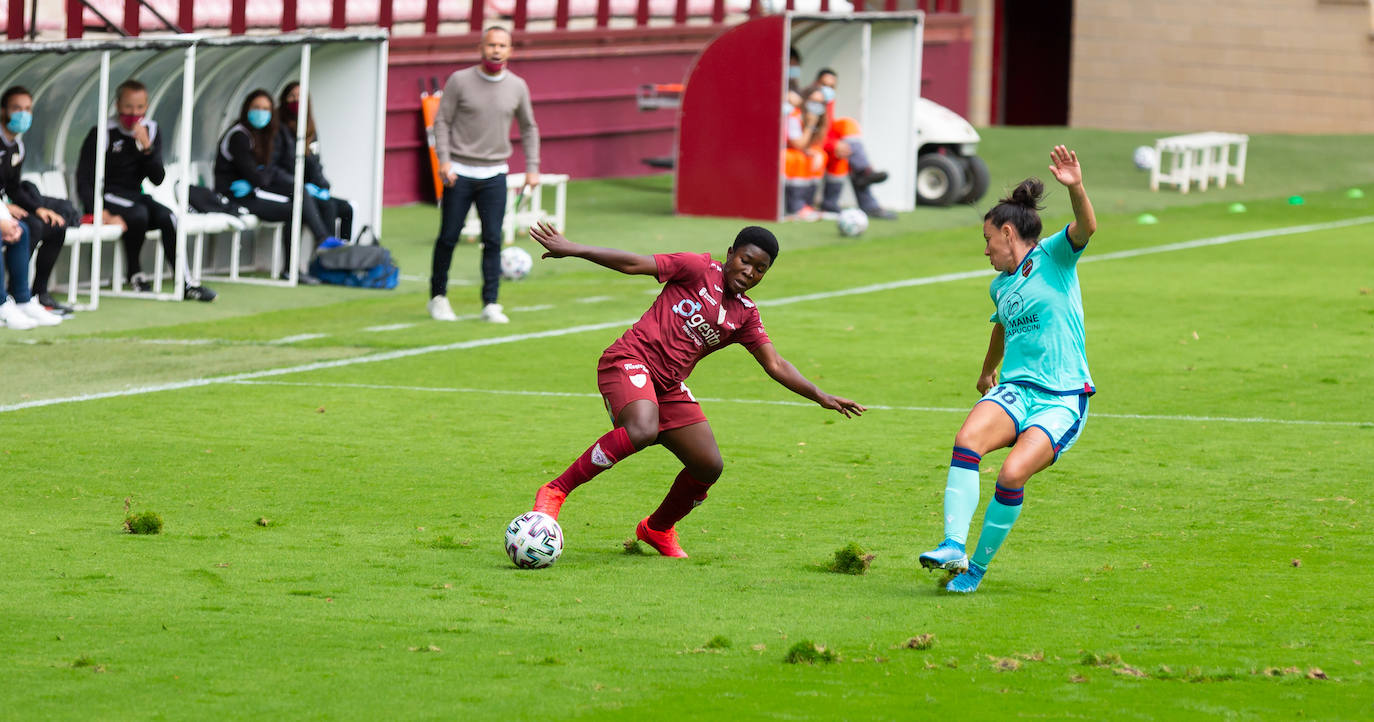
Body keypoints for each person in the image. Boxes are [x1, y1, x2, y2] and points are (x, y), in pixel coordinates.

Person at [526, 221, 866, 557]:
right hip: (629, 360)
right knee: (642, 429)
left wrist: (821, 396)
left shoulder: (745, 315)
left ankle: (656, 529)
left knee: (708, 465)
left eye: (760, 269)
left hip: (668, 385)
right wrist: (573, 249)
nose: (749, 272)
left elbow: (775, 364)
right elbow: (633, 263)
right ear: (730, 254)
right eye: (745, 260)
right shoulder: (698, 267)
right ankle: (556, 490)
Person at [917, 146, 1097, 594]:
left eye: (987, 240)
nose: (986, 251)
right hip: (1016, 388)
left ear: (1008, 231)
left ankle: (976, 568)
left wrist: (1076, 188)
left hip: (1061, 397)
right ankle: (952, 545)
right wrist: (986, 372)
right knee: (967, 441)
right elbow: (1002, 329)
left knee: (1012, 474)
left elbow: (1087, 227)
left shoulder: (1054, 256)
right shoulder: (1000, 286)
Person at [428, 25, 541, 324]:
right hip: (459, 173)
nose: (496, 50)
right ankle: (438, 298)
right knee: (449, 236)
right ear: (481, 47)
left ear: (510, 51)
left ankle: (491, 302)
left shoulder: (517, 86)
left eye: (502, 46)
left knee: (492, 239)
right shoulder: (460, 81)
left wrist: (533, 167)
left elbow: (529, 127)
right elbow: (441, 122)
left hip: (494, 174)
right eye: (491, 45)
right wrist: (444, 161)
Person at [77, 79, 216, 302]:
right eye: (128, 107)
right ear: (117, 105)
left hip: (136, 195)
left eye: (140, 107)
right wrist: (98, 211)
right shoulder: (102, 132)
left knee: (169, 217)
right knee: (138, 214)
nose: (134, 113)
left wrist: (147, 148)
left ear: (147, 106)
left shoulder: (150, 130)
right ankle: (135, 273)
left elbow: (158, 178)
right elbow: (84, 179)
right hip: (109, 195)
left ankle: (186, 283)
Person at [0, 86, 73, 317]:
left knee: (54, 225)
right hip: (2, 207)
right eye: (17, 108)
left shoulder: (18, 146)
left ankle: (38, 292)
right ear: (3, 111)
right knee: (29, 227)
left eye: (27, 109)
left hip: (4, 205)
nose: (23, 114)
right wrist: (5, 207)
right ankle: (11, 294)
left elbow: (13, 187)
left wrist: (39, 208)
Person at [216, 89, 301, 280]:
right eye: (256, 108)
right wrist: (262, 172)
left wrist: (262, 172)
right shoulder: (239, 136)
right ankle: (289, 268)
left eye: (265, 109)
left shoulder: (262, 136)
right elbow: (260, 178)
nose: (261, 113)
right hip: (231, 196)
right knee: (292, 211)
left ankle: (291, 266)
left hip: (249, 194)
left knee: (295, 205)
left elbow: (263, 174)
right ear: (246, 109)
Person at [273, 82, 353, 249]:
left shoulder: (310, 129)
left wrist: (323, 186)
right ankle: (325, 256)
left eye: (300, 96)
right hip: (288, 187)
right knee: (328, 207)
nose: (296, 100)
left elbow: (315, 163)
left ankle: (343, 251)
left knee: (346, 209)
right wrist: (300, 185)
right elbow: (277, 164)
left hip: (308, 189)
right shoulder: (278, 129)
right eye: (292, 96)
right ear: (284, 100)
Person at [813, 69, 895, 219]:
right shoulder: (810, 100)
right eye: (824, 84)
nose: (827, 89)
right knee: (844, 151)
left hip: (825, 145)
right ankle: (866, 186)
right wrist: (833, 145)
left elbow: (827, 130)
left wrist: (836, 144)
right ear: (815, 83)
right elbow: (810, 134)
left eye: (831, 87)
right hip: (810, 147)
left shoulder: (829, 102)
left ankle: (861, 175)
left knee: (847, 132)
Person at [782, 87, 827, 220]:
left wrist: (814, 152)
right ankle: (795, 206)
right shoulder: (795, 115)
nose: (816, 106)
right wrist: (810, 125)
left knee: (820, 156)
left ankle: (807, 204)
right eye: (812, 101)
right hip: (786, 151)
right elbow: (798, 144)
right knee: (797, 158)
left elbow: (816, 142)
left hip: (799, 149)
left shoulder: (820, 118)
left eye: (820, 103)